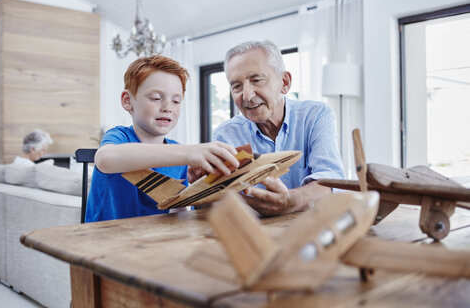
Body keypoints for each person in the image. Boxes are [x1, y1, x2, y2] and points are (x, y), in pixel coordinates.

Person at [85, 55, 239, 222]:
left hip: (152, 242)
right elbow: (105, 158)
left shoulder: (179, 155)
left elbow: (178, 213)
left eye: (176, 101)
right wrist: (189, 151)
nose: (167, 108)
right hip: (104, 240)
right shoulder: (119, 136)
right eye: (156, 98)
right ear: (128, 100)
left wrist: (201, 189)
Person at [211, 40, 345, 216]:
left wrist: (291, 201)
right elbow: (220, 200)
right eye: (237, 86)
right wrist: (206, 186)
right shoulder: (225, 134)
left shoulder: (316, 115)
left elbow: (331, 180)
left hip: (312, 226)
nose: (247, 96)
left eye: (257, 80)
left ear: (285, 82)